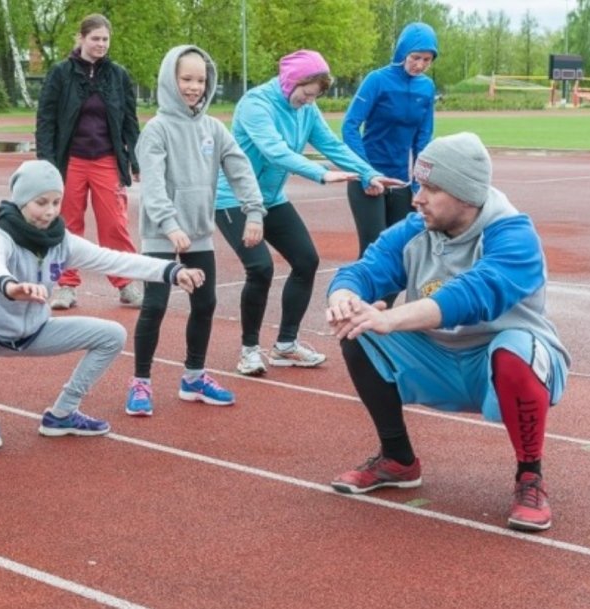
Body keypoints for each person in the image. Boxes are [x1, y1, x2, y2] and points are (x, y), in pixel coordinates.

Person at [325, 132, 570, 532]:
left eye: (431, 189)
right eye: (419, 185)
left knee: (517, 348)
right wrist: (346, 297)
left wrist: (391, 317)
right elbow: (365, 268)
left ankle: (530, 476)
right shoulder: (415, 227)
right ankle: (398, 460)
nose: (417, 197)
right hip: (436, 357)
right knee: (358, 329)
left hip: (498, 361)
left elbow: (473, 295)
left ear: (466, 197)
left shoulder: (513, 234)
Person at [0, 160, 205, 458]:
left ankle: (63, 413)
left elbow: (114, 260)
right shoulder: (0, 236)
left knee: (112, 335)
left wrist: (171, 270)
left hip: (36, 331)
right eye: (41, 202)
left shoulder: (62, 241)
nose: (51, 210)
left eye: (56, 202)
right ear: (21, 201)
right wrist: (11, 287)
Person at [213, 50, 403, 377]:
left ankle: (285, 346)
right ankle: (248, 351)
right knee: (260, 268)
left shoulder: (307, 109)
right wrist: (321, 173)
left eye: (314, 95)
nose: (308, 100)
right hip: (235, 198)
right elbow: (275, 151)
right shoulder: (255, 104)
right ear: (291, 81)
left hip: (271, 198)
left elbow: (331, 144)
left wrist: (368, 173)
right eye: (306, 92)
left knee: (306, 260)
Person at [125, 45, 264, 417]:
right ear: (170, 79)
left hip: (199, 230)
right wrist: (170, 225)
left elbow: (240, 169)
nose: (193, 87)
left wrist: (254, 212)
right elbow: (152, 187)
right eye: (186, 79)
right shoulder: (156, 131)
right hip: (161, 231)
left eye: (200, 80)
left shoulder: (213, 129)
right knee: (154, 304)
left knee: (205, 303)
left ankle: (194, 377)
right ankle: (141, 381)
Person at [35, 13, 143, 310]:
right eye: (95, 38)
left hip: (106, 159)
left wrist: (136, 159)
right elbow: (45, 119)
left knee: (115, 224)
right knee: (66, 226)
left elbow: (130, 122)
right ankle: (65, 286)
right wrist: (46, 162)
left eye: (105, 39)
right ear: (81, 38)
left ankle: (126, 282)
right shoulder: (61, 73)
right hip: (70, 161)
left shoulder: (118, 75)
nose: (101, 44)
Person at [342, 22, 438, 307]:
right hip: (368, 178)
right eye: (415, 57)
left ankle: (380, 314)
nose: (420, 65)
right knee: (374, 249)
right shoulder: (377, 80)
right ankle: (357, 313)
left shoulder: (426, 88)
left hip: (401, 183)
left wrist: (420, 186)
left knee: (403, 250)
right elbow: (350, 127)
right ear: (403, 52)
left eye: (427, 60)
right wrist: (366, 173)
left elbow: (423, 139)